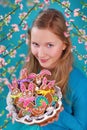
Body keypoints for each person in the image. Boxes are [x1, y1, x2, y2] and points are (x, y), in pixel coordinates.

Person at [6, 8, 87, 130]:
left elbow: (81, 127)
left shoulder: (80, 84)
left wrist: (56, 113)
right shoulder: (32, 70)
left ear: (64, 44)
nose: (41, 54)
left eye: (49, 45)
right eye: (36, 44)